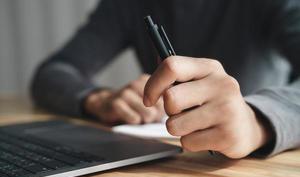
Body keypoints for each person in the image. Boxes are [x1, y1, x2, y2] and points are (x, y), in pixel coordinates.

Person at [31, 0, 300, 158]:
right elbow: (54, 72)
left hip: (253, 170)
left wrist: (256, 120)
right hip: (166, 159)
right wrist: (98, 99)